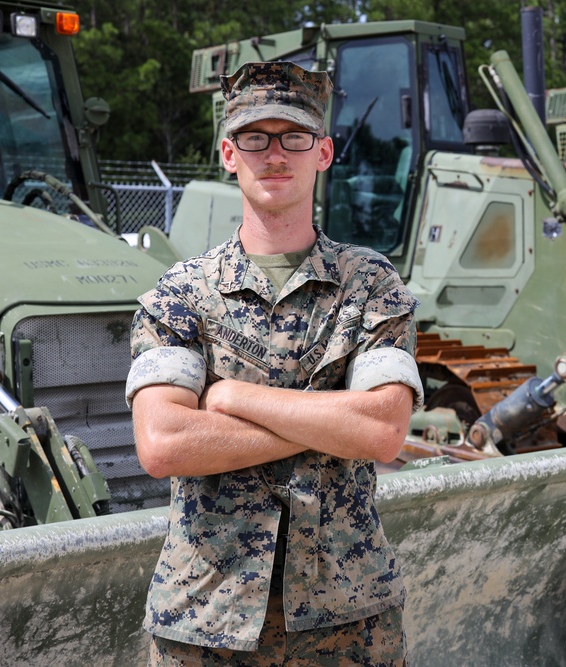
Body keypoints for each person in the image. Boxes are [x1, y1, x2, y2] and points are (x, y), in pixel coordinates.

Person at [125, 61, 422, 666]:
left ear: (325, 152)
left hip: (347, 620)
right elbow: (163, 444)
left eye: (294, 137)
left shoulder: (369, 286)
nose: (275, 154)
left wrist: (231, 399)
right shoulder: (180, 293)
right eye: (256, 138)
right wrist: (326, 424)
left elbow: (381, 431)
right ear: (229, 153)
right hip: (205, 620)